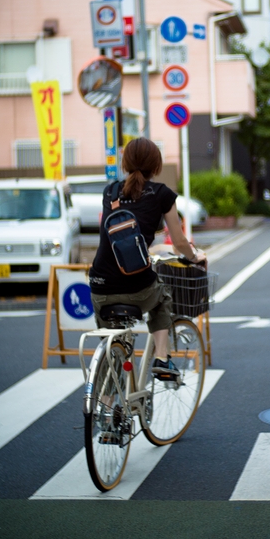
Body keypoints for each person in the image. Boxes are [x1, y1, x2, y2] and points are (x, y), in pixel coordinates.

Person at [89, 137, 206, 379]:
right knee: (162, 297)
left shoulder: (110, 191)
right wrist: (195, 256)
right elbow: (180, 241)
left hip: (99, 286)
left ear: (125, 163)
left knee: (113, 352)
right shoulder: (162, 194)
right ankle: (162, 358)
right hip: (137, 287)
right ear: (156, 165)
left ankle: (105, 405)